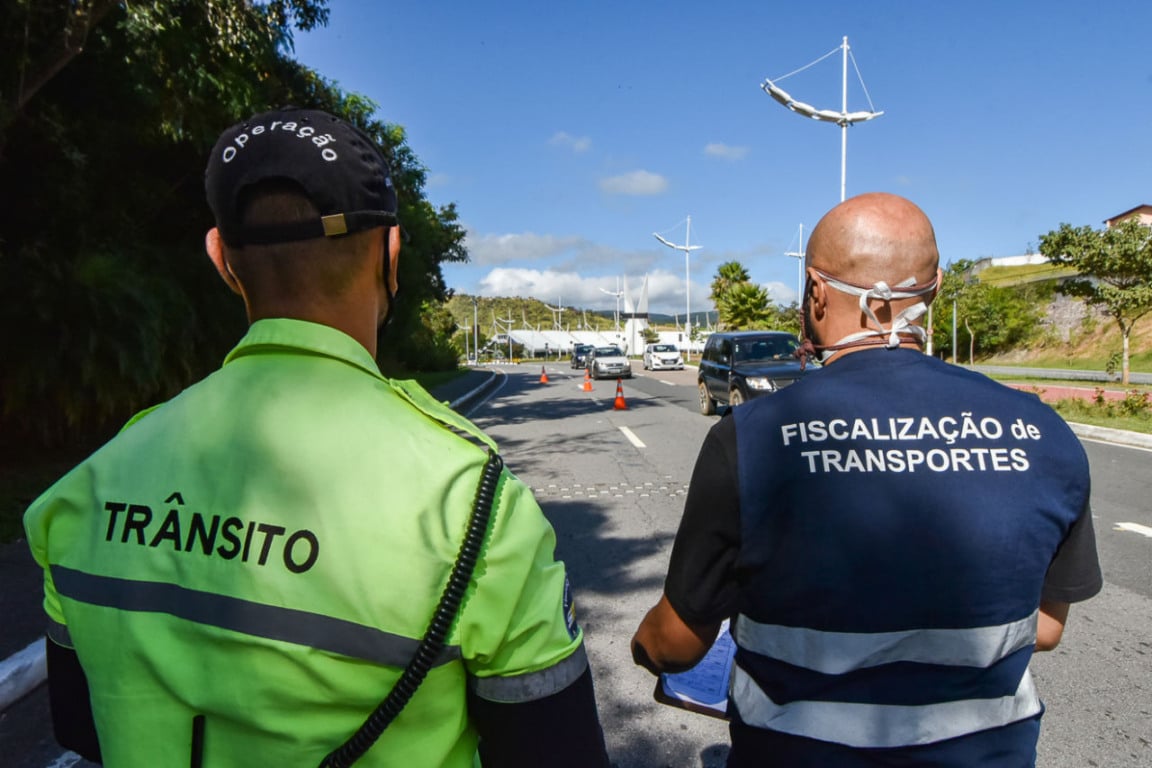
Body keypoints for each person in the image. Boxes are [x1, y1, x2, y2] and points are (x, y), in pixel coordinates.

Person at [25, 107, 609, 767]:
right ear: (390, 255)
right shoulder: (472, 504)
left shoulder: (92, 484)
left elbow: (80, 727)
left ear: (222, 259)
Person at [632, 192, 1102, 767]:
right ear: (932, 292)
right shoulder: (1043, 431)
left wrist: (646, 646)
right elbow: (1047, 627)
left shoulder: (753, 435)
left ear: (817, 292)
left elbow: (677, 645)